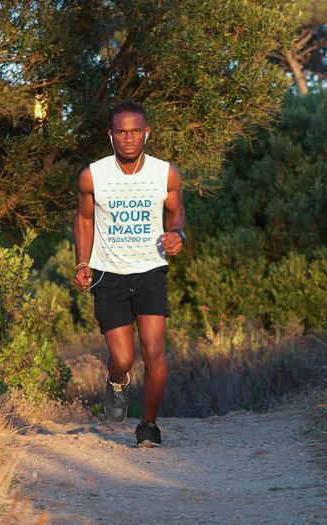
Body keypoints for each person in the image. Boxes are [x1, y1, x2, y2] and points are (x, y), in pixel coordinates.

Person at [73, 102, 185, 448]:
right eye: (121, 132)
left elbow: (176, 211)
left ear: (147, 132)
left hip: (150, 270)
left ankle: (148, 425)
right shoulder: (93, 175)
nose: (129, 138)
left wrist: (177, 235)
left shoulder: (165, 173)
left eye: (136, 131)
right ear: (111, 136)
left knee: (154, 351)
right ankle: (117, 379)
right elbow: (84, 219)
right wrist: (81, 263)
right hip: (109, 273)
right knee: (123, 358)